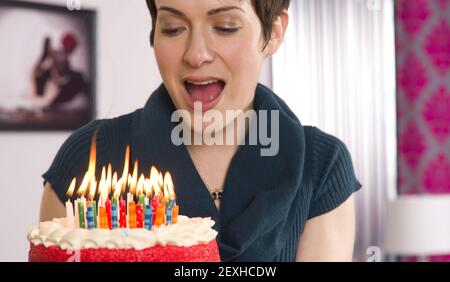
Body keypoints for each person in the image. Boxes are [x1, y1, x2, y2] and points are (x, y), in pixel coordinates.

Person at [39, 0, 361, 262]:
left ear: (273, 32)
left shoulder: (321, 166)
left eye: (225, 27)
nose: (196, 54)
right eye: (173, 28)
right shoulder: (89, 156)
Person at [30, 33, 89, 110]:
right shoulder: (42, 77)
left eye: (64, 51)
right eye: (57, 51)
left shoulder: (78, 78)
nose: (60, 56)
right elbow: (33, 102)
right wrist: (47, 99)